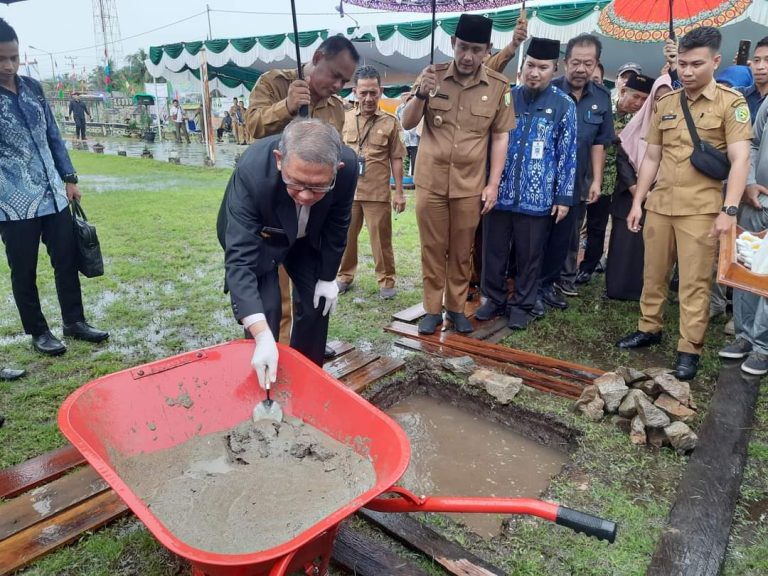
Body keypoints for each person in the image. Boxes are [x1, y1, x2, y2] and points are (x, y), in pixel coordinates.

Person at [616, 27, 752, 381]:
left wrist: (729, 210)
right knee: (653, 273)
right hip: (661, 204)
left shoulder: (731, 103)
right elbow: (652, 157)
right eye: (682, 64)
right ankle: (649, 327)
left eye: (696, 64)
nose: (687, 71)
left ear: (715, 61)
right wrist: (638, 201)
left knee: (694, 283)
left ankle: (689, 348)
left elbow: (740, 159)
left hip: (701, 209)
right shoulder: (666, 103)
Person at [244, 36, 359, 359]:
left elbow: (335, 157)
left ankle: (306, 354)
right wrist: (287, 107)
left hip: (310, 213)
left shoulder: (335, 107)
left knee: (311, 292)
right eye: (335, 75)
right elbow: (253, 127)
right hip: (272, 210)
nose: (338, 85)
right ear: (318, 57)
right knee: (272, 294)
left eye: (344, 81)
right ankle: (275, 350)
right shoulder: (275, 83)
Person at [400, 13, 515, 335]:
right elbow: (407, 122)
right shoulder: (431, 76)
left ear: (487, 50)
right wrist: (420, 94)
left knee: (463, 251)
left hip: (469, 185)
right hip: (431, 182)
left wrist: (493, 184)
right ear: (453, 43)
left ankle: (456, 307)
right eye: (463, 47)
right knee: (432, 249)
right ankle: (431, 309)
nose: (468, 56)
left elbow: (500, 136)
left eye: (476, 50)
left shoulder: (499, 86)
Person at [0, 18, 109, 356]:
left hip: (53, 196)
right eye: (1, 59)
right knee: (24, 270)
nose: (9, 66)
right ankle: (38, 331)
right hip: (12, 202)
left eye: (14, 57)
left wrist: (69, 178)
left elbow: (53, 136)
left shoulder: (33, 88)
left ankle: (74, 321)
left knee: (66, 258)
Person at [218, 119, 357, 376]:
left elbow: (338, 224)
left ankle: (307, 374)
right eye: (296, 183)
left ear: (336, 169)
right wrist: (261, 334)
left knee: (316, 302)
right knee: (266, 307)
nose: (305, 196)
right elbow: (240, 260)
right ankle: (263, 373)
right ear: (279, 160)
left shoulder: (348, 169)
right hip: (262, 236)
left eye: (318, 186)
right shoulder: (252, 171)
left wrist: (328, 277)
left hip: (306, 239)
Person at [478, 37, 576, 330]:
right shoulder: (507, 97)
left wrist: (563, 196)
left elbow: (568, 153)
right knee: (493, 251)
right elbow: (489, 142)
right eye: (530, 65)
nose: (535, 73)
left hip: (538, 196)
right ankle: (494, 299)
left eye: (542, 68)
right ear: (522, 66)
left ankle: (522, 304)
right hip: (500, 191)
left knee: (530, 254)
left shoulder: (564, 104)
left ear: (554, 69)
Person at [537, 34, 614, 311]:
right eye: (576, 62)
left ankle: (549, 285)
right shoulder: (548, 90)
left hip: (576, 181)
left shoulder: (602, 98)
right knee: (537, 235)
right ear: (565, 62)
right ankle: (530, 285)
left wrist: (596, 180)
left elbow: (599, 143)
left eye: (588, 63)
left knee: (565, 237)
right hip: (543, 179)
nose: (581, 69)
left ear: (596, 64)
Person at [577, 72, 654, 286]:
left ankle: (588, 268)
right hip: (585, 175)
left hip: (612, 182)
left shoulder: (641, 120)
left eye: (644, 99)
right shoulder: (603, 108)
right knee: (574, 224)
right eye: (636, 96)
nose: (639, 103)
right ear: (623, 91)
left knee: (598, 227)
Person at [337, 66, 406, 299]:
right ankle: (344, 276)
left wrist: (399, 192)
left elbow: (396, 158)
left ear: (381, 91)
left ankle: (387, 281)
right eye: (363, 93)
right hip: (348, 192)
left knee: (381, 241)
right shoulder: (344, 119)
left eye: (373, 93)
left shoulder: (390, 122)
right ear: (355, 92)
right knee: (345, 237)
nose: (368, 98)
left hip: (377, 192)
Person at [605, 75, 674, 301]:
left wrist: (655, 191)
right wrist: (638, 191)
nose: (661, 102)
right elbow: (623, 158)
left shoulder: (675, 126)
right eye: (658, 98)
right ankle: (617, 289)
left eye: (667, 98)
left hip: (659, 195)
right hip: (629, 195)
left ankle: (642, 291)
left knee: (649, 246)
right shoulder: (636, 124)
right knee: (623, 244)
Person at [718, 95, 768, 375]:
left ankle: (764, 347)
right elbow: (753, 143)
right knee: (747, 269)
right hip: (758, 201)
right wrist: (749, 182)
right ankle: (745, 336)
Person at [395, 91, 420, 176]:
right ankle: (404, 177)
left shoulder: (416, 107)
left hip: (415, 139)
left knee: (415, 161)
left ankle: (414, 177)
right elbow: (397, 122)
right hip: (404, 139)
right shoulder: (399, 108)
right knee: (404, 160)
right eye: (403, 95)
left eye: (406, 95)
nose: (404, 97)